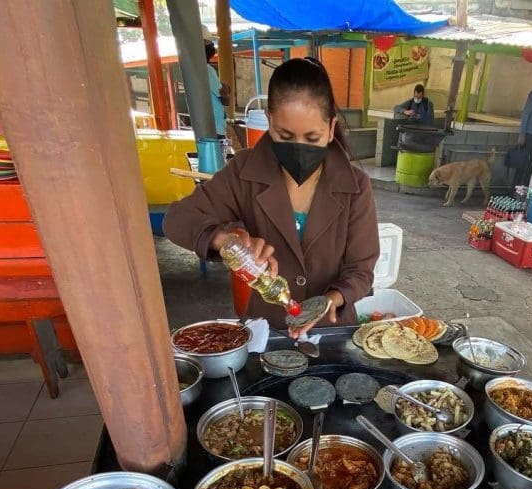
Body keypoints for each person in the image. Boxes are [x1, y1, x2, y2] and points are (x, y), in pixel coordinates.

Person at [163, 58, 380, 337]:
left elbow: (362, 270)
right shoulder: (245, 172)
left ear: (330, 128)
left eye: (312, 137)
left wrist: (331, 299)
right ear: (269, 122)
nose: (299, 149)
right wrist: (224, 239)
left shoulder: (356, 186)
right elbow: (178, 220)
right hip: (267, 329)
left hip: (333, 332)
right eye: (285, 135)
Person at [202, 26, 229, 138]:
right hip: (216, 125)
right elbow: (222, 93)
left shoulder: (197, 69)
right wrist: (226, 88)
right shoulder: (207, 70)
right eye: (209, 43)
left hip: (207, 123)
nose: (212, 46)